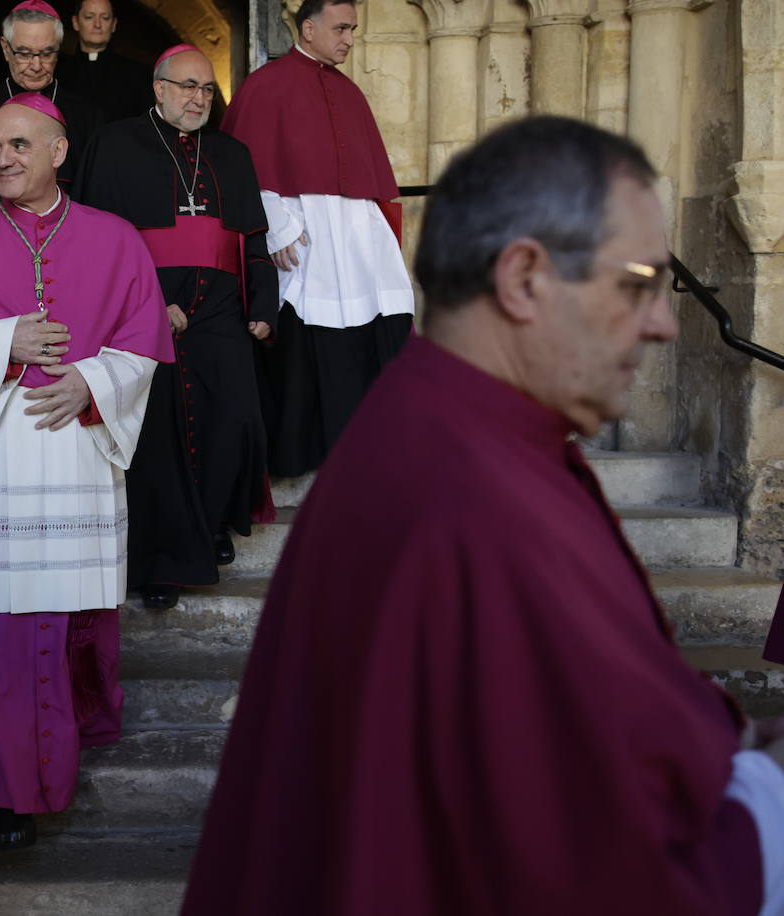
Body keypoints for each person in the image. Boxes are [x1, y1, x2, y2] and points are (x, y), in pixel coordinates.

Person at [181, 117, 784, 915]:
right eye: (639, 282)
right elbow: (585, 873)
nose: (664, 322)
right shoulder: (469, 501)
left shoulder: (458, 437)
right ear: (526, 277)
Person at [0, 93, 172, 850]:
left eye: (20, 145)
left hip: (78, 451)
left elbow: (143, 344)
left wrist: (93, 383)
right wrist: (2, 344)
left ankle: (59, 756)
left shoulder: (115, 241)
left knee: (64, 619)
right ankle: (4, 784)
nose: (4, 159)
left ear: (58, 151)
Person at [75, 44, 277, 610]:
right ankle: (159, 561)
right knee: (158, 434)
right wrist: (146, 305)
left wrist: (262, 305)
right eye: (187, 87)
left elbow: (251, 239)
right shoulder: (114, 145)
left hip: (219, 310)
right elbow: (96, 243)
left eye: (208, 89)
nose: (199, 99)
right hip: (143, 309)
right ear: (158, 89)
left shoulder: (231, 154)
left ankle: (209, 524)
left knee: (231, 418)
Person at [221, 0, 414, 477]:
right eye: (341, 27)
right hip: (302, 229)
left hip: (355, 234)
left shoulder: (350, 93)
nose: (349, 38)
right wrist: (275, 224)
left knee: (379, 322)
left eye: (354, 29)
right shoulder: (266, 85)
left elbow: (371, 179)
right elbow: (245, 167)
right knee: (305, 338)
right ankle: (305, 451)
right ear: (308, 28)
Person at [0, 0, 99, 223]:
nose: (36, 65)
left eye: (46, 54)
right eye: (24, 53)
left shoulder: (84, 113)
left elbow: (92, 195)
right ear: (6, 49)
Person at [63, 0, 151, 124]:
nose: (97, 24)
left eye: (105, 18)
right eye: (89, 17)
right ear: (76, 22)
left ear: (114, 24)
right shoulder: (59, 72)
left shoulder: (138, 74)